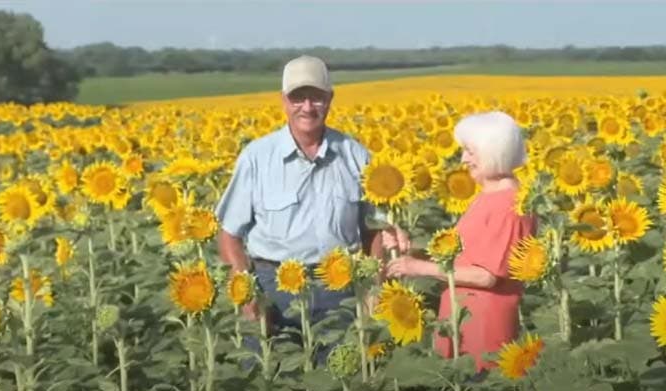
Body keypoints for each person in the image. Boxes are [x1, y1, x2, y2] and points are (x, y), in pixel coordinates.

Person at [214, 55, 382, 364]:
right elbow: (229, 235)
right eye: (297, 97)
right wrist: (245, 292)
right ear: (283, 101)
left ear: (330, 99)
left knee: (340, 376)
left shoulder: (355, 155)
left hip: (339, 290)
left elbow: (374, 230)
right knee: (268, 376)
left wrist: (375, 288)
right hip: (271, 288)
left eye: (316, 97)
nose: (307, 106)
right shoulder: (257, 157)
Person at [382, 111, 536, 371]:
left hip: (484, 322)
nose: (464, 159)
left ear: (493, 151)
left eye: (471, 152)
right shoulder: (489, 196)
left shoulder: (509, 204)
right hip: (464, 315)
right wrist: (414, 253)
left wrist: (419, 268)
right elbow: (466, 254)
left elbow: (486, 275)